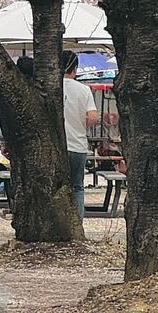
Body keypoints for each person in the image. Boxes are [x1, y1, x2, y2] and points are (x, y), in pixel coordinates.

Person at [62, 50, 98, 219]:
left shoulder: (50, 88)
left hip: (57, 145)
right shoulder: (84, 90)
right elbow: (92, 117)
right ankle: (77, 223)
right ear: (75, 69)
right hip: (77, 144)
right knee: (77, 186)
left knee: (58, 186)